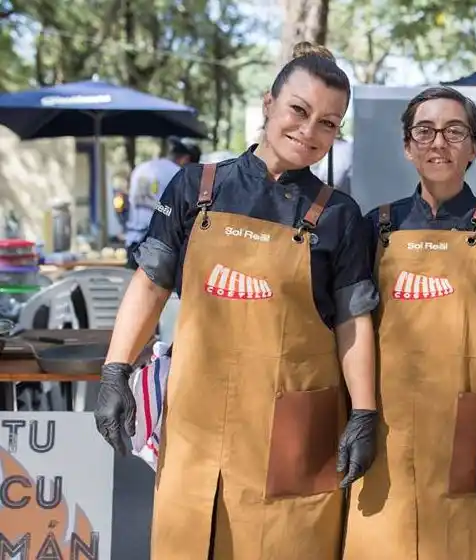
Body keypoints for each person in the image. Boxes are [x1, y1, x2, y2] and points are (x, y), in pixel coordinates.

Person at [93, 42, 380, 559]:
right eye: (299, 110)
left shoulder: (339, 215)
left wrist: (363, 413)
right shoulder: (195, 188)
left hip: (292, 430)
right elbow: (151, 282)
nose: (309, 131)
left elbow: (352, 323)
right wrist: (115, 370)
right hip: (197, 423)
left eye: (328, 123)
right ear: (268, 103)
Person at [343, 86, 476, 560]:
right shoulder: (376, 226)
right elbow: (353, 327)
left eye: (454, 131)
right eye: (424, 131)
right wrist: (358, 417)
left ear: (475, 147)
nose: (438, 143)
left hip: (464, 428)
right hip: (386, 423)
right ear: (407, 146)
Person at [124, 138, 201, 269]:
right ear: (186, 159)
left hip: (133, 239)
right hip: (159, 244)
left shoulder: (142, 168)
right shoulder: (179, 173)